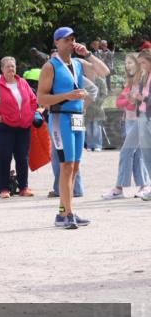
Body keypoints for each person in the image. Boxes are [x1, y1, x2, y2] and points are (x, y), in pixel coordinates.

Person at [36, 27, 111, 228]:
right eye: (66, 39)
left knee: (75, 166)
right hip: (61, 118)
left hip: (78, 118)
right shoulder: (50, 66)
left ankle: (65, 212)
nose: (70, 42)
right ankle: (66, 213)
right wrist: (66, 96)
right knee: (66, 166)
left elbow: (105, 72)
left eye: (73, 39)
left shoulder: (77, 64)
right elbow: (41, 98)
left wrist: (87, 54)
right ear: (57, 43)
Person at [103, 53, 150, 199]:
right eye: (126, 63)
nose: (128, 65)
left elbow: (142, 100)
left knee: (142, 154)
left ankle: (141, 186)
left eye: (141, 62)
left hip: (143, 118)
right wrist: (133, 99)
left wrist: (138, 98)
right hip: (141, 118)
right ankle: (120, 188)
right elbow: (120, 103)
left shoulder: (143, 78)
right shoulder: (142, 78)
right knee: (130, 152)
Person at [0, 56, 38, 198]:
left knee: (22, 158)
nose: (11, 69)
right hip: (4, 127)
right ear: (1, 69)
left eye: (13, 66)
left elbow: (33, 100)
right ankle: (4, 189)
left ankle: (23, 187)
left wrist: (30, 115)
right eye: (8, 66)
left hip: (23, 126)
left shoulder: (23, 83)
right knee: (4, 158)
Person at [135, 49, 151, 202]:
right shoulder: (144, 76)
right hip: (143, 117)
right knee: (146, 154)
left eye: (144, 63)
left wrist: (144, 98)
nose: (142, 66)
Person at [83, 73, 108, 151]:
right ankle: (89, 145)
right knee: (88, 128)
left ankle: (97, 145)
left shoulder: (100, 81)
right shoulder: (84, 79)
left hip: (97, 108)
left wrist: (98, 103)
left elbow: (104, 94)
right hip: (87, 107)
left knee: (96, 127)